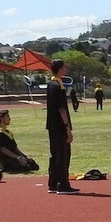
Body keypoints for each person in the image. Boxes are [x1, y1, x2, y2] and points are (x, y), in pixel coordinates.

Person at [46, 59, 78, 195]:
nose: (67, 69)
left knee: (55, 155)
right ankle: (63, 184)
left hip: (52, 126)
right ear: (60, 69)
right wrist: (67, 127)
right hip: (59, 126)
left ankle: (53, 183)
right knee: (63, 155)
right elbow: (62, 109)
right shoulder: (58, 86)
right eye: (65, 67)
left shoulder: (51, 84)